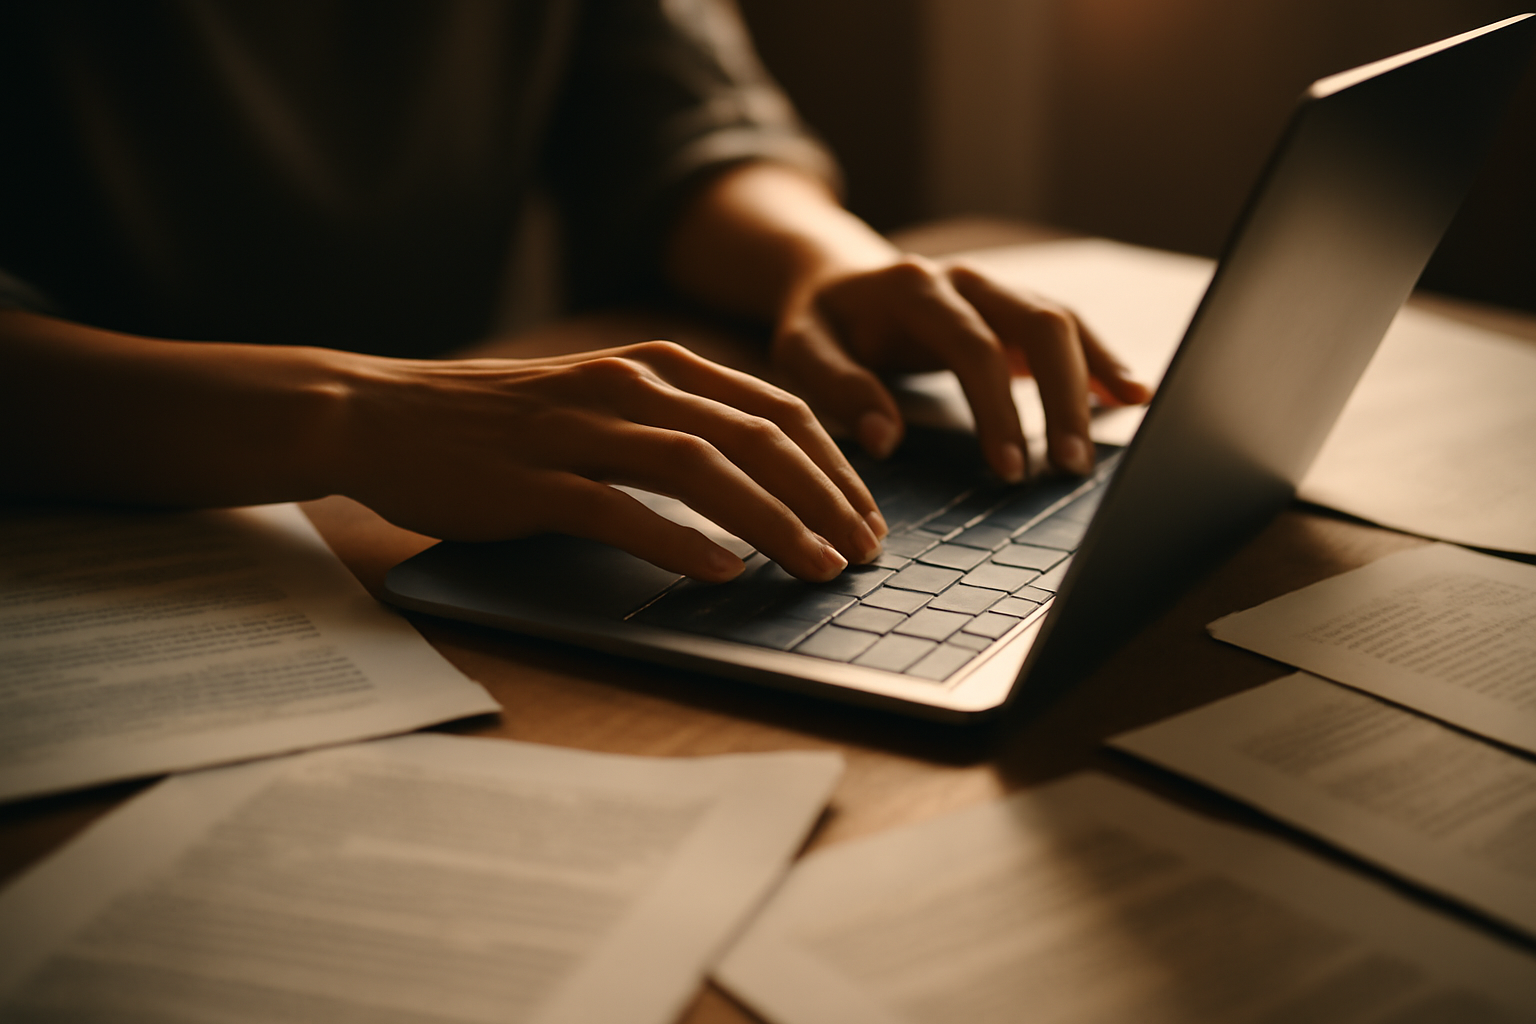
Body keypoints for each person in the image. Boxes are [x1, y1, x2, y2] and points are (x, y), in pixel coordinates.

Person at [0, 0, 1148, 585]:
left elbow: (677, 123)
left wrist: (823, 262)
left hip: (410, 534)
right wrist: (360, 411)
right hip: (78, 560)